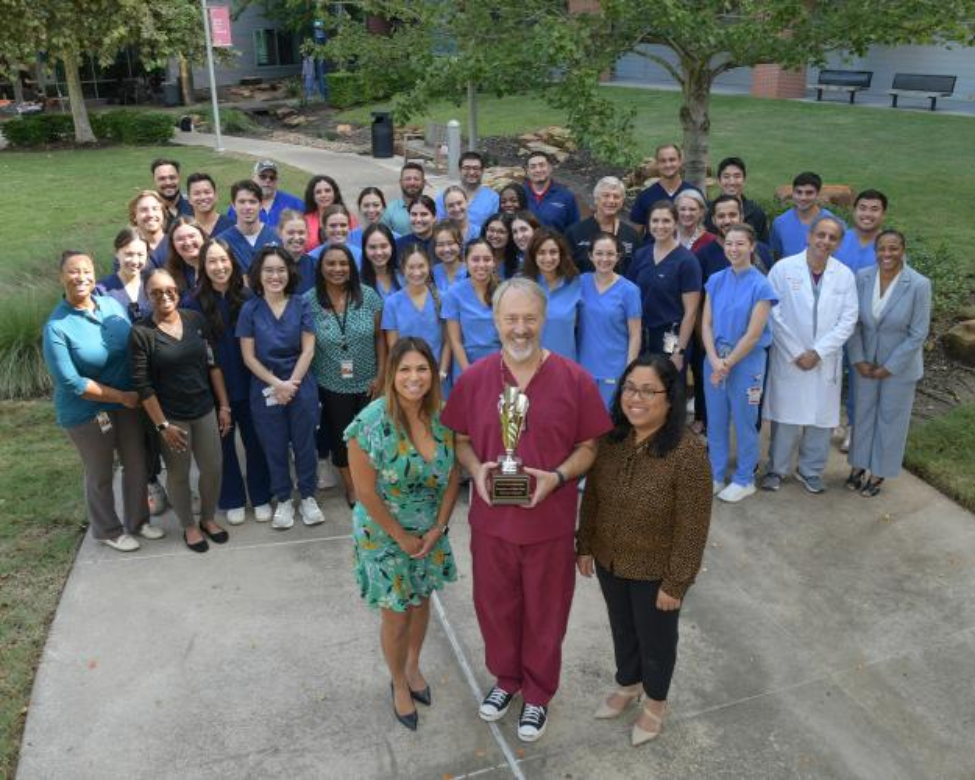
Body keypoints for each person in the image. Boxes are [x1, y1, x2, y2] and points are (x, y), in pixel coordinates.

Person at [441, 277, 612, 743]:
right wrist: (475, 470)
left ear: (544, 319)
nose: (520, 329)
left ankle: (537, 692)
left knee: (546, 611)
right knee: (494, 607)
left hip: (549, 523)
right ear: (495, 322)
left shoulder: (574, 380)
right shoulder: (475, 379)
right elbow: (458, 439)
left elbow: (590, 445)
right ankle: (506, 679)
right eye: (511, 319)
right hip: (492, 522)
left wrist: (556, 478)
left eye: (529, 318)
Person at [576, 354, 712, 746]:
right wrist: (584, 543)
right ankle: (628, 683)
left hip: (655, 569)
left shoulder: (687, 454)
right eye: (630, 388)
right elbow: (594, 498)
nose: (635, 398)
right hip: (609, 558)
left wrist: (677, 582)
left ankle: (655, 703)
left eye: (648, 391)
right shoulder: (611, 439)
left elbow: (693, 527)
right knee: (623, 628)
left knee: (656, 639)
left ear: (670, 399)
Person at [345, 338, 460, 731]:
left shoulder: (444, 418)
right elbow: (364, 492)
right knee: (396, 613)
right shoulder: (369, 424)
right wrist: (401, 537)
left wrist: (438, 527)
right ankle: (397, 682)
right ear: (391, 374)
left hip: (430, 531)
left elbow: (453, 475)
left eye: (422, 369)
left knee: (421, 600)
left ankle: (413, 666)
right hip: (384, 534)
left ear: (433, 373)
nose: (414, 378)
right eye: (405, 369)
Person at [43, 250, 159, 553]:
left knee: (136, 463)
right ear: (61, 277)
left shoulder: (109, 305)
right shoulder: (58, 326)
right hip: (88, 411)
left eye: (86, 270)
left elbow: (133, 346)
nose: (80, 277)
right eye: (72, 271)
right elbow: (72, 382)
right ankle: (107, 529)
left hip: (128, 404)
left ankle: (138, 521)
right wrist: (120, 396)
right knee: (101, 472)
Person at [129, 269, 231, 553]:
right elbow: (143, 385)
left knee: (212, 468)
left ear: (178, 290)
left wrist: (224, 406)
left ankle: (209, 519)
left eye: (169, 289)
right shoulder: (141, 333)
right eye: (155, 292)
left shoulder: (195, 320)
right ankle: (188, 525)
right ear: (147, 296)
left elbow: (213, 366)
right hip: (171, 418)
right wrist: (162, 425)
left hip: (204, 409)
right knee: (179, 473)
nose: (164, 296)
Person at [762, 215, 858, 494]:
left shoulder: (844, 275)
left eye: (832, 238)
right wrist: (796, 351)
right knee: (786, 417)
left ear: (839, 243)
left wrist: (818, 352)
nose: (825, 242)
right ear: (809, 236)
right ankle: (776, 470)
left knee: (821, 419)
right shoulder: (783, 269)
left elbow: (848, 319)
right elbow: (772, 311)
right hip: (790, 356)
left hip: (824, 359)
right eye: (821, 235)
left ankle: (811, 470)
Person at [237, 247, 325, 528]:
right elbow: (248, 357)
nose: (275, 276)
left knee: (304, 444)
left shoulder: (302, 304)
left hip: (300, 383)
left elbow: (308, 349)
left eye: (280, 270)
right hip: (266, 386)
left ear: (290, 273)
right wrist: (278, 384)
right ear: (258, 275)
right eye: (268, 270)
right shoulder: (249, 309)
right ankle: (284, 500)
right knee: (274, 446)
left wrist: (291, 385)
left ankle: (308, 497)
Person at [187, 238, 273, 525]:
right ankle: (232, 498)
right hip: (215, 388)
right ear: (203, 266)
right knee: (223, 446)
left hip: (250, 383)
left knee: (256, 442)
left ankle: (261, 495)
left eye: (223, 260)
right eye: (211, 261)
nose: (218, 266)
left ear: (232, 262)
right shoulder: (192, 303)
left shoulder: (249, 297)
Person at [846, 230, 931, 497]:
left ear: (903, 250)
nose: (887, 254)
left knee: (891, 420)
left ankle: (880, 471)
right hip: (865, 365)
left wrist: (890, 366)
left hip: (900, 368)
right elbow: (853, 322)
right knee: (863, 415)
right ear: (875, 250)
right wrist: (858, 358)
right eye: (882, 248)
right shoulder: (863, 277)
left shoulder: (918, 284)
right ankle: (859, 464)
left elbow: (918, 333)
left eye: (893, 248)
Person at [702, 224, 778, 503]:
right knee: (717, 420)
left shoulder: (761, 285)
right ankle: (715, 473)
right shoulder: (715, 280)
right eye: (729, 244)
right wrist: (713, 359)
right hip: (714, 359)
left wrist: (727, 364)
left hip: (746, 363)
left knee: (745, 422)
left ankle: (745, 479)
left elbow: (754, 333)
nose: (733, 249)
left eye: (740, 244)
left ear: (752, 246)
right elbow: (706, 324)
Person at [306, 244, 386, 507]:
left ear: (351, 267)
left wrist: (381, 376)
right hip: (330, 384)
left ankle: (373, 485)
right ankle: (353, 488)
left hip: (369, 381)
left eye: (343, 263)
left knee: (371, 437)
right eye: (331, 264)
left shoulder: (369, 296)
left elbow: (380, 339)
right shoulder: (309, 301)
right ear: (321, 268)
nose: (337, 269)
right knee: (342, 438)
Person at [834, 189, 889, 452]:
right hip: (834, 320)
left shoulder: (887, 247)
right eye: (863, 208)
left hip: (866, 327)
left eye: (874, 209)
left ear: (883, 214)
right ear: (853, 211)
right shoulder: (839, 240)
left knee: (860, 378)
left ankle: (855, 426)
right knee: (829, 374)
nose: (867, 214)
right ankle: (830, 420)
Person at [627, 201, 702, 371]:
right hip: (641, 336)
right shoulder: (641, 255)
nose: (660, 226)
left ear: (676, 223)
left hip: (671, 339)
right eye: (655, 221)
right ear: (648, 224)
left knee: (669, 391)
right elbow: (629, 296)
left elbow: (690, 313)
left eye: (666, 221)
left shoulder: (687, 261)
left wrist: (679, 352)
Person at [578, 233, 642, 408]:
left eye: (610, 254)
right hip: (584, 365)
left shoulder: (630, 291)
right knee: (585, 420)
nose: (604, 259)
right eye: (599, 253)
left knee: (608, 421)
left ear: (618, 256)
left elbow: (635, 334)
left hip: (614, 367)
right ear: (591, 256)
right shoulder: (580, 282)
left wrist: (630, 370)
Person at [382, 246, 451, 382]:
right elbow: (393, 347)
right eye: (411, 267)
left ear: (429, 266)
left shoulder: (442, 298)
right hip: (408, 378)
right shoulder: (392, 303)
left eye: (421, 266)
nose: (417, 272)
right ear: (403, 269)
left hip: (437, 376)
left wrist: (442, 372)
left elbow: (448, 341)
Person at [443, 239, 500, 377]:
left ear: (494, 262)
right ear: (466, 262)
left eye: (487, 259)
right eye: (475, 259)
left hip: (499, 365)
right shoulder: (454, 293)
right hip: (466, 366)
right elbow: (455, 341)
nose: (481, 265)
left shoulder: (504, 291)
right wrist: (469, 373)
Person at [522, 228, 581, 361]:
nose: (548, 258)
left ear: (561, 254)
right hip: (528, 365)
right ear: (533, 255)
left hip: (565, 365)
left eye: (553, 252)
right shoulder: (521, 285)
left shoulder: (576, 283)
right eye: (541, 252)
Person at [564, 176, 641, 274]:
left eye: (616, 197)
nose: (611, 200)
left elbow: (636, 271)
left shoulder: (632, 236)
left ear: (622, 202)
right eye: (606, 195)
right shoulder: (575, 233)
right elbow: (566, 270)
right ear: (596, 199)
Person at [770, 171, 842, 260]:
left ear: (818, 194)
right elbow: (777, 255)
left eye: (809, 193)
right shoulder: (780, 222)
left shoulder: (834, 224)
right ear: (793, 193)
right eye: (799, 192)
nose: (803, 198)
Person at [629, 144, 701, 232]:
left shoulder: (694, 194)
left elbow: (702, 228)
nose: (668, 165)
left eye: (672, 160)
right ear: (657, 164)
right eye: (663, 161)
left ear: (680, 161)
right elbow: (635, 234)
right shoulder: (645, 196)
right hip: (653, 245)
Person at [217, 180, 279, 273]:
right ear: (233, 205)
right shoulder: (222, 242)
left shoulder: (277, 237)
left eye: (252, 202)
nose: (247, 207)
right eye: (242, 202)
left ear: (261, 205)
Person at [705, 157, 768, 242]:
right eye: (726, 177)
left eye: (737, 176)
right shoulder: (706, 211)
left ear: (744, 180)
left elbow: (763, 248)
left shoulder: (757, 213)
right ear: (719, 181)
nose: (732, 182)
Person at [227, 160, 304, 228]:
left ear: (277, 180)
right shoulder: (240, 205)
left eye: (272, 177)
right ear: (253, 178)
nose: (267, 180)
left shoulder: (295, 204)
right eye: (262, 176)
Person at [97, 228, 151, 322]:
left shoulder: (153, 285)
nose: (135, 261)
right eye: (129, 254)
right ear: (117, 253)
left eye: (140, 254)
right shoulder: (101, 291)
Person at [436, 151, 499, 230]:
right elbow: (439, 225)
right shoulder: (443, 197)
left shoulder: (493, 198)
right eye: (467, 168)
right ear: (460, 170)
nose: (471, 172)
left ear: (482, 171)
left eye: (476, 168)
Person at [523, 151, 579, 232]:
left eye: (542, 165)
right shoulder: (519, 194)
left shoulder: (566, 197)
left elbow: (574, 229)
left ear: (550, 168)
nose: (538, 170)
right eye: (533, 167)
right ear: (527, 171)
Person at [303, 174, 354, 253]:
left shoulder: (349, 218)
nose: (323, 195)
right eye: (318, 192)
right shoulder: (305, 220)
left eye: (327, 191)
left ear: (335, 193)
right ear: (312, 196)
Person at [276, 208, 317, 295]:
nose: (296, 237)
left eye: (301, 233)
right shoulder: (270, 265)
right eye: (291, 233)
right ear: (280, 233)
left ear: (307, 234)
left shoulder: (316, 266)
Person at [164, 217, 207, 296]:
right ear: (173, 244)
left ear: (203, 237)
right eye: (180, 239)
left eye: (192, 236)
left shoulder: (217, 265)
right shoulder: (168, 276)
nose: (187, 242)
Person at [361, 223, 403, 300]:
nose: (379, 252)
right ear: (364, 250)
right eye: (372, 247)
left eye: (383, 246)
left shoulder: (404, 277)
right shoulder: (357, 283)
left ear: (392, 247)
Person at [382, 162, 427, 235]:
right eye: (408, 179)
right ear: (400, 182)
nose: (412, 183)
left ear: (424, 183)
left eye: (416, 179)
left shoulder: (433, 209)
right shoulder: (389, 211)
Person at [128, 190, 169, 269]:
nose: (150, 214)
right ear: (134, 217)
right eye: (143, 210)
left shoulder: (176, 244)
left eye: (155, 209)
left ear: (163, 213)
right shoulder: (128, 250)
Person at [186, 172, 234, 237]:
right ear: (189, 199)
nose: (203, 197)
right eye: (197, 193)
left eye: (207, 192)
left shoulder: (232, 227)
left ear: (216, 195)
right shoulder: (185, 229)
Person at [151, 158, 193, 227]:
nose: (168, 183)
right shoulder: (150, 210)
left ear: (179, 178)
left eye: (172, 177)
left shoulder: (194, 204)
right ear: (154, 180)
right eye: (162, 179)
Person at [674, 190, 717, 254]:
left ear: (701, 212)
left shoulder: (711, 240)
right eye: (682, 209)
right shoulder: (667, 236)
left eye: (692, 209)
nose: (687, 214)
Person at [430, 221, 468, 292]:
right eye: (440, 244)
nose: (446, 249)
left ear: (460, 244)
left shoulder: (470, 271)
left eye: (450, 243)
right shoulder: (431, 273)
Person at [481, 214, 520, 280]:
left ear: (510, 236)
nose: (495, 235)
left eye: (501, 232)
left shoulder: (518, 265)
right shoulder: (474, 258)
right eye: (491, 230)